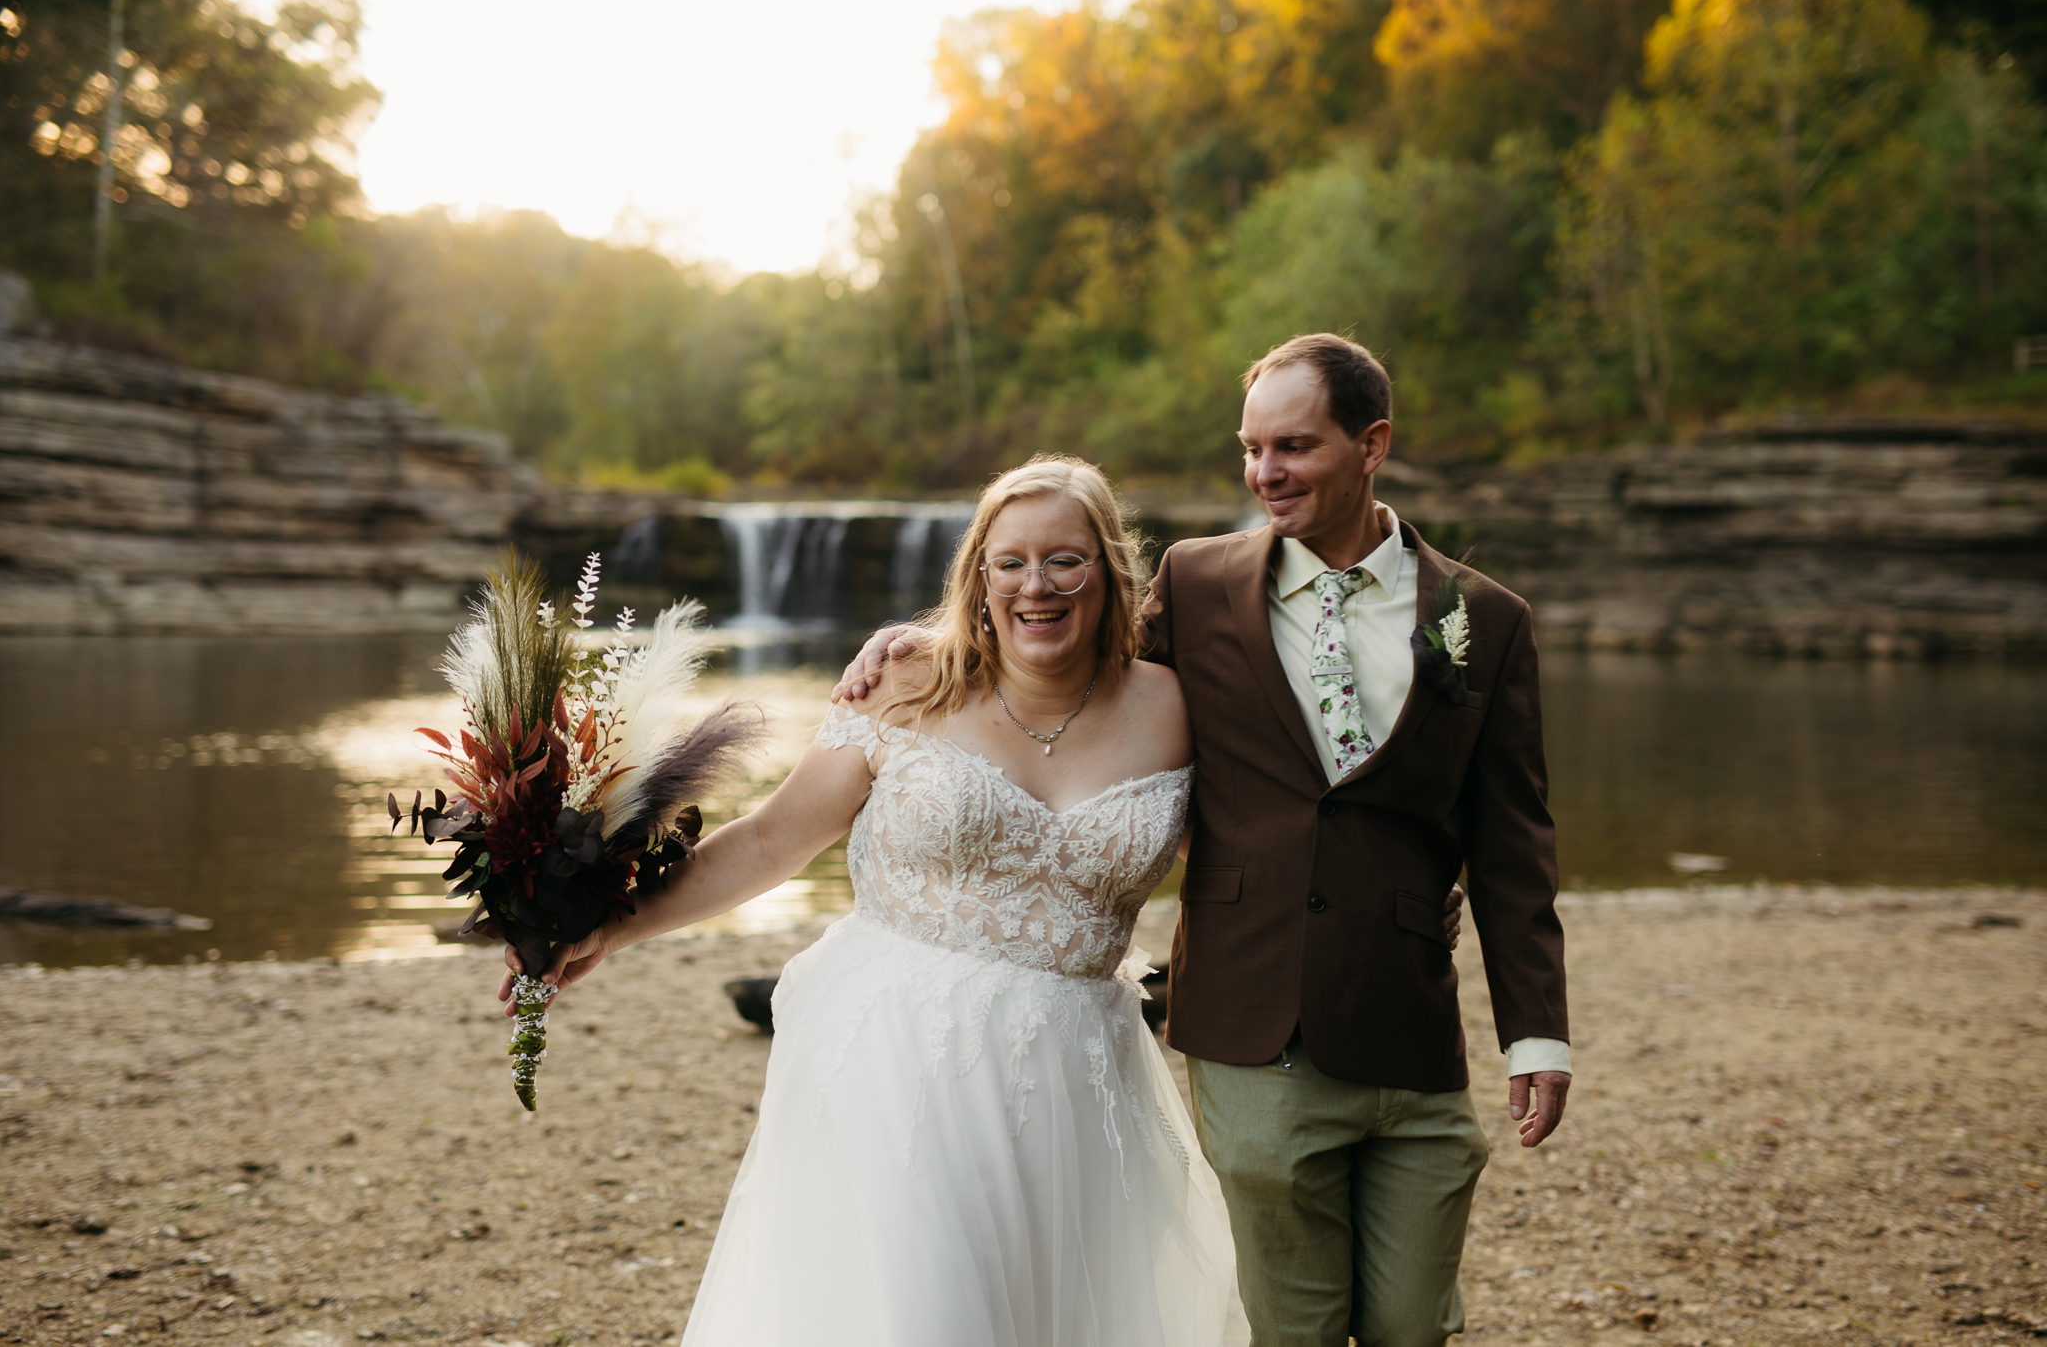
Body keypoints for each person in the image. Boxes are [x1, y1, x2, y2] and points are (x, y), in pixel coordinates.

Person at [837, 334, 1570, 1347]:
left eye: (1293, 446)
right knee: (1294, 1320)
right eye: (1250, 448)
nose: (1264, 472)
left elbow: (1511, 841)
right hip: (1249, 1006)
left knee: (1412, 1323)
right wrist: (928, 641)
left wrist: (1534, 1030)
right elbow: (1070, 647)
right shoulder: (1197, 582)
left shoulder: (1480, 620)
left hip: (1407, 1016)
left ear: (1373, 446)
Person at [500, 457, 1250, 1346]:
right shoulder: (906, 683)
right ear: (977, 577)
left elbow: (1257, 850)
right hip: (901, 1059)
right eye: (1009, 562)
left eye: (1065, 560)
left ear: (1108, 570)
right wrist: (606, 927)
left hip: (1082, 1073)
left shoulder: (1176, 706)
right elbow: (775, 838)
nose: (1035, 585)